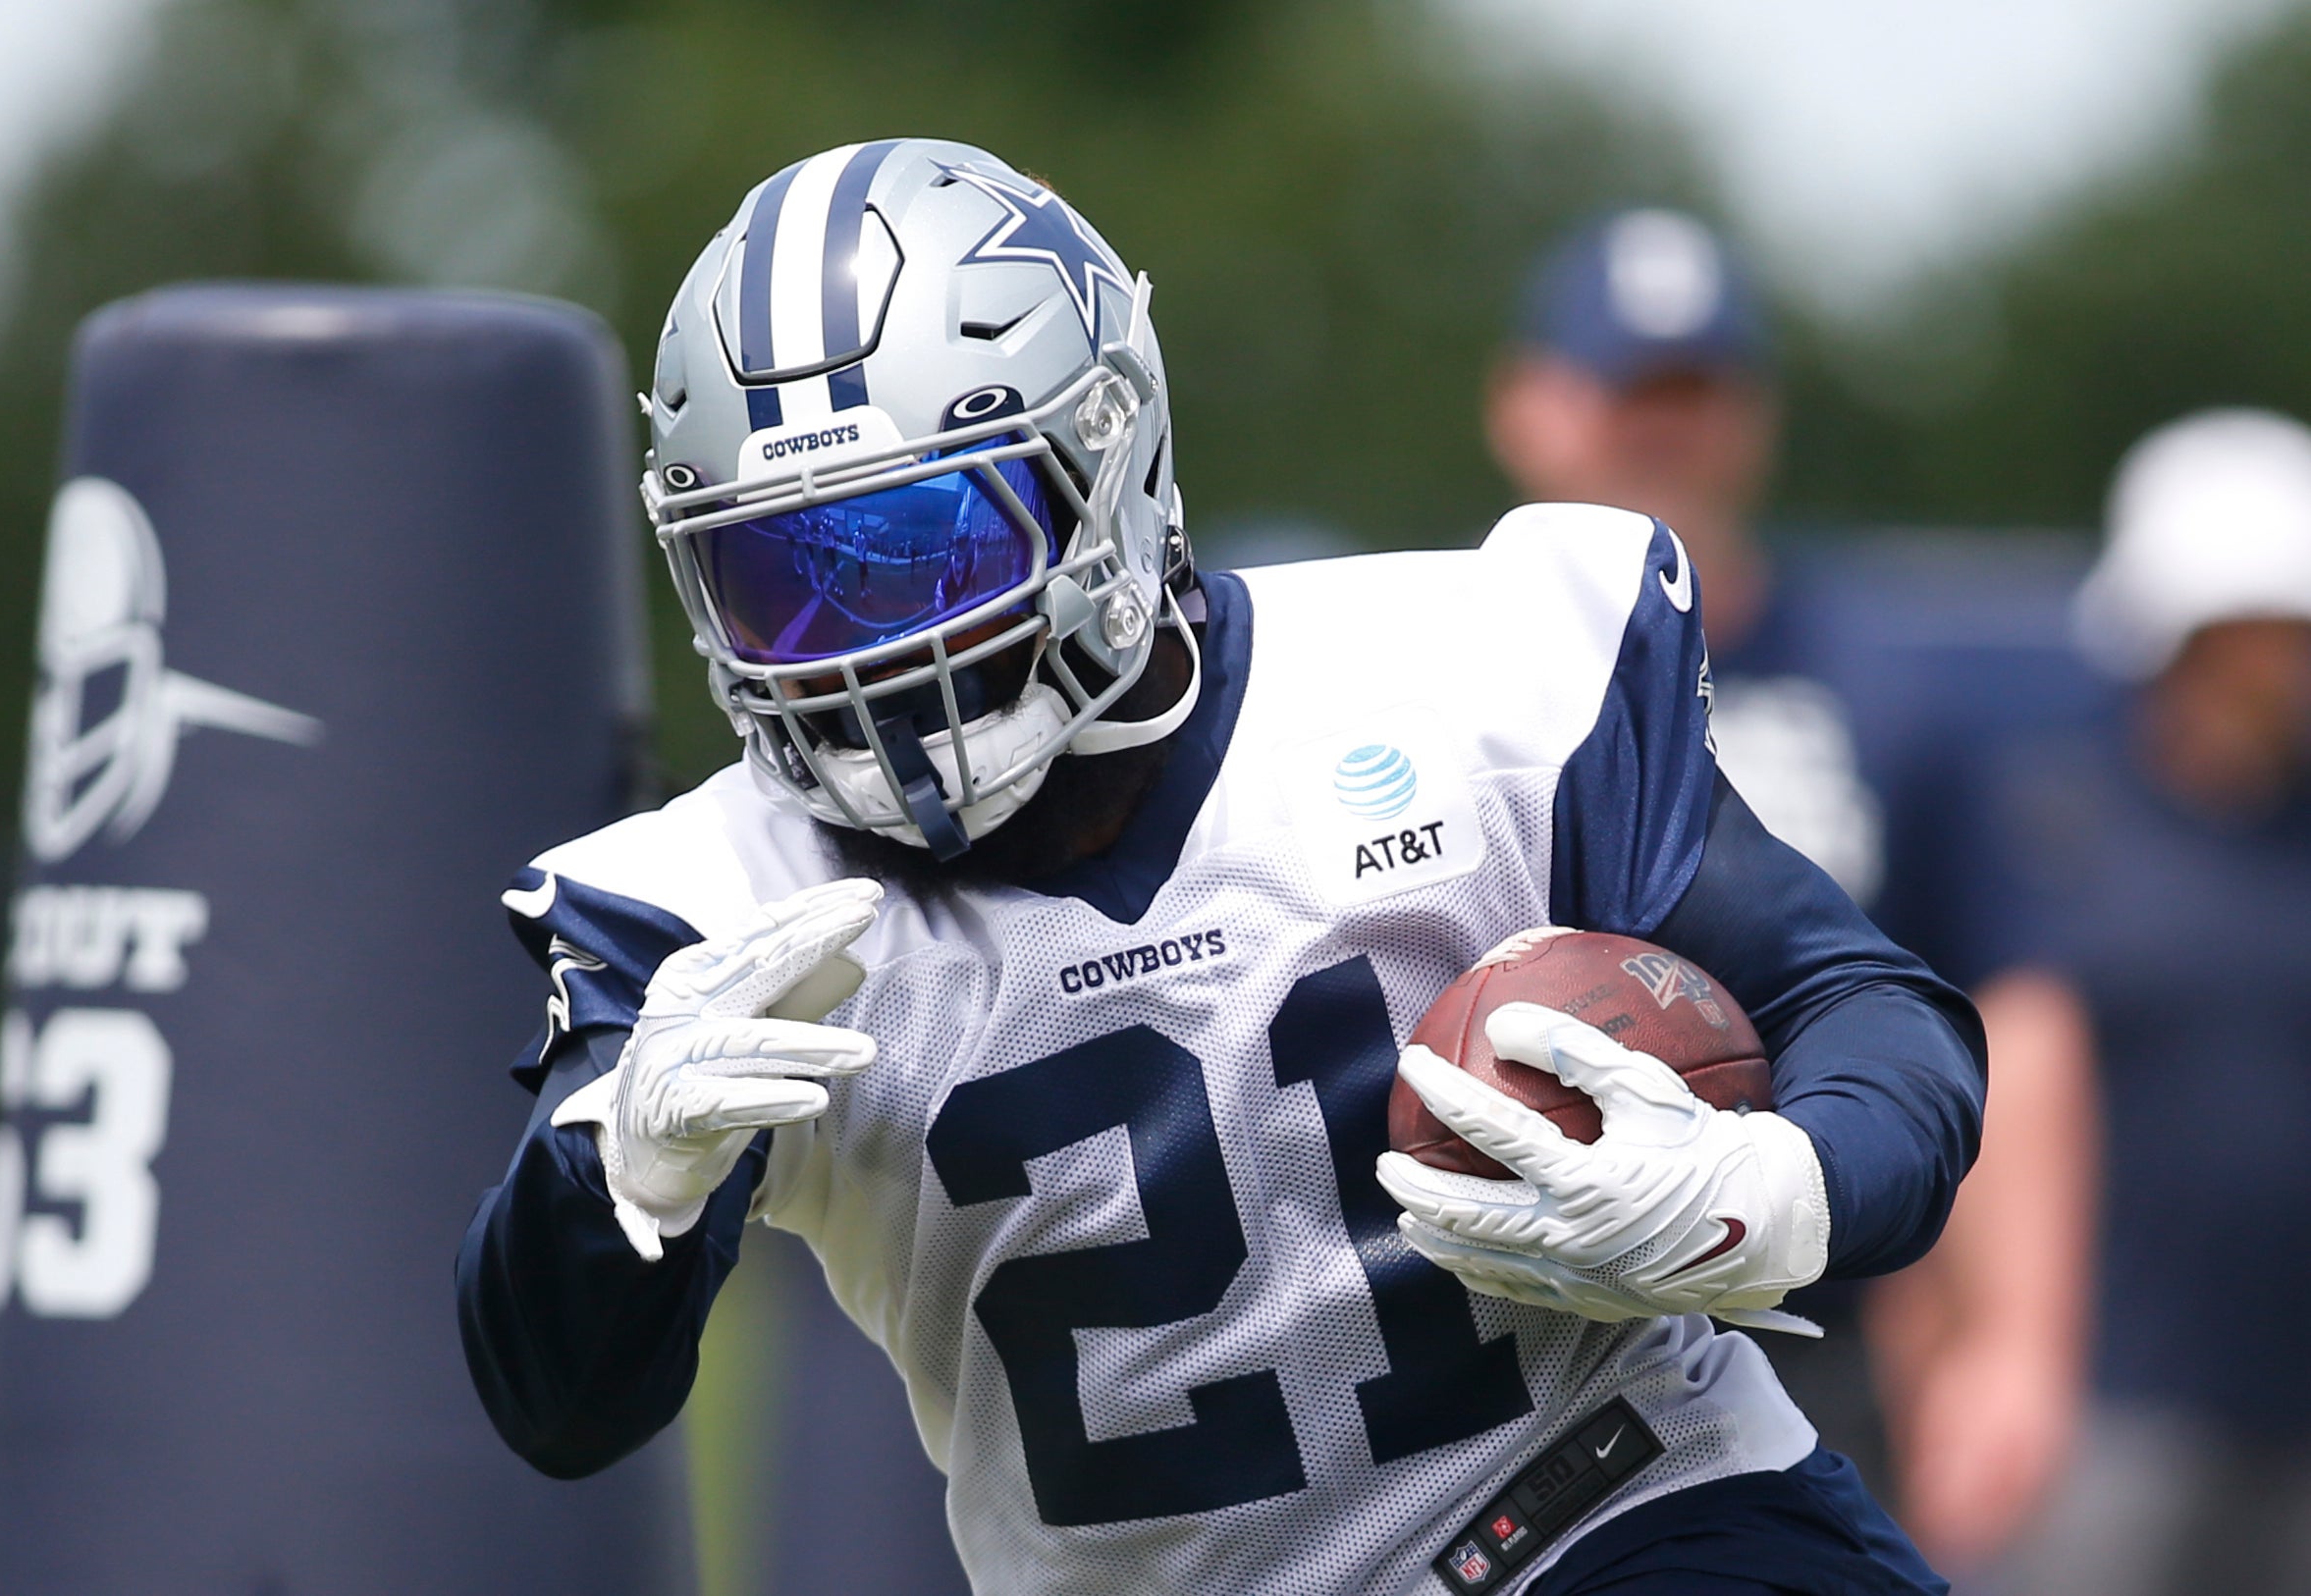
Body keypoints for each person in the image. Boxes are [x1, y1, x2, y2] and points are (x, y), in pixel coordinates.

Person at [456, 140, 1982, 1595]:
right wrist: (618, 1183)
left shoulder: (1475, 675)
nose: (869, 647)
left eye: (927, 542)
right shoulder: (713, 907)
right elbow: (562, 1403)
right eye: (785, 582)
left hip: (1618, 1506)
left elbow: (1861, 1005)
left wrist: (1770, 1190)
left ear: (1100, 459)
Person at [1484, 209, 2095, 1564]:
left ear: (1751, 414)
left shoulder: (1882, 680)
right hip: (1493, 1340)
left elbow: (2006, 1007)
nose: (1665, 430)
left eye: (1695, 394)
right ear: (1524, 405)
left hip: (1811, 1319)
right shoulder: (1451, 676)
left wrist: (2011, 1345)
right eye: (1626, 391)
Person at [1972, 410, 2311, 1596]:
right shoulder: (2052, 829)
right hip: (2108, 1410)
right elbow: (1996, 1111)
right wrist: (1993, 1359)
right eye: (2250, 631)